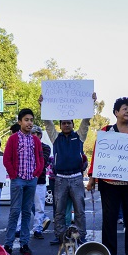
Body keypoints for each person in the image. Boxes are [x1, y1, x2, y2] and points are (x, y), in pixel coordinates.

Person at [86, 97, 128, 255]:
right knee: (109, 218)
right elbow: (97, 156)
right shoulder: (106, 131)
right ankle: (109, 251)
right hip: (108, 183)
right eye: (125, 108)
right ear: (116, 112)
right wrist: (92, 178)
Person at [40, 93, 95, 245]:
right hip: (60, 179)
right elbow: (47, 122)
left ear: (72, 124)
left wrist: (90, 102)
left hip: (77, 178)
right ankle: (60, 236)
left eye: (69, 123)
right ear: (60, 125)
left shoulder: (79, 136)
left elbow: (86, 121)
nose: (66, 125)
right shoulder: (55, 137)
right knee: (59, 211)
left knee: (80, 210)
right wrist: (42, 105)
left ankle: (81, 236)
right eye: (63, 123)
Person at [3, 108, 44, 255]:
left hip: (31, 180)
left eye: (31, 120)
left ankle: (24, 244)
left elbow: (40, 159)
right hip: (18, 180)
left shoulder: (35, 140)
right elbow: (6, 159)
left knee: (27, 212)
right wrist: (14, 175)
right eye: (26, 120)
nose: (29, 123)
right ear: (20, 122)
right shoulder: (13, 139)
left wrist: (36, 174)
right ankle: (8, 244)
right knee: (15, 212)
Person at [31, 125, 51, 239]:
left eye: (36, 134)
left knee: (39, 206)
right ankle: (19, 228)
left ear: (40, 135)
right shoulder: (25, 146)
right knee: (24, 206)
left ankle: (38, 228)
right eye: (32, 134)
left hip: (40, 180)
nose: (34, 136)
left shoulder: (46, 147)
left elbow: (42, 161)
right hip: (27, 179)